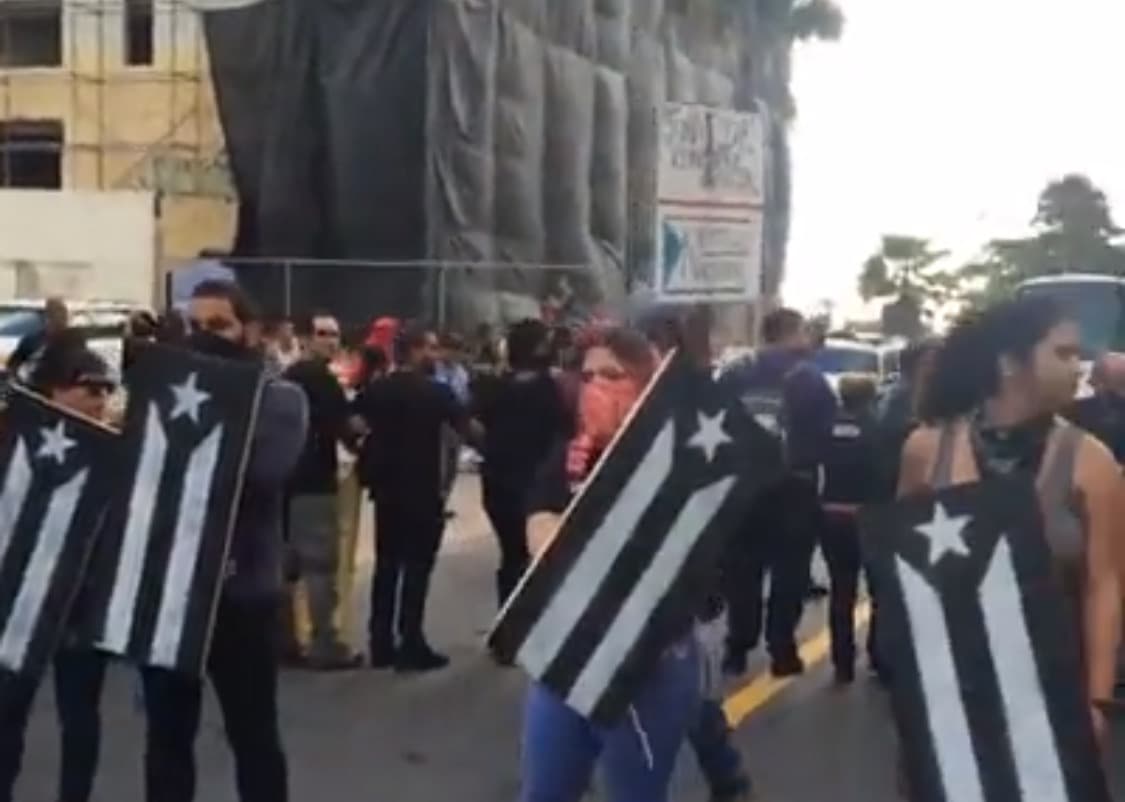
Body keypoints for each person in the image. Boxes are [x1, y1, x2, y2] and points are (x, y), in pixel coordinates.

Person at [899, 296, 1122, 746]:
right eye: (1063, 353)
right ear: (1009, 363)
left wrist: (1097, 700)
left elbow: (1106, 583)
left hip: (1050, 695)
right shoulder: (927, 449)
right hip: (950, 698)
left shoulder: (1092, 462)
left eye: (1078, 355)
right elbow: (902, 569)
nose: (1077, 367)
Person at [142, 279, 307, 802]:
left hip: (241, 596)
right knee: (166, 739)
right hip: (173, 594)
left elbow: (261, 473)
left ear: (250, 331)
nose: (205, 337)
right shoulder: (165, 401)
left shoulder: (281, 398)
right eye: (195, 327)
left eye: (219, 326)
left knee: (253, 737)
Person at [519, 326, 700, 802]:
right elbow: (540, 519)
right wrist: (553, 543)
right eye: (588, 375)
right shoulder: (572, 454)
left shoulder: (680, 457)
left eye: (613, 374)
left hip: (647, 664)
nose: (596, 385)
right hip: (566, 652)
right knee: (544, 791)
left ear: (645, 383)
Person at [0, 339, 116, 802]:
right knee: (9, 710)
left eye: (108, 389)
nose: (100, 399)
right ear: (53, 391)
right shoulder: (15, 443)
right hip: (19, 596)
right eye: (89, 388)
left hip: (81, 600)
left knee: (81, 715)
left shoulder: (115, 450)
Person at [719, 308, 837, 677]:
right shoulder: (811, 378)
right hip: (794, 487)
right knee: (790, 573)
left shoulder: (734, 373)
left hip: (742, 487)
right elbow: (826, 434)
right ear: (791, 332)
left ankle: (738, 646)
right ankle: (782, 649)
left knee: (742, 572)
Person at [354, 323, 473, 671]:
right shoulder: (436, 393)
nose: (435, 356)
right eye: (431, 349)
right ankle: (411, 642)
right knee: (418, 568)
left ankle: (380, 641)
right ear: (416, 352)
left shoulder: (378, 389)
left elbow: (355, 425)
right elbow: (466, 428)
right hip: (423, 489)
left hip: (387, 490)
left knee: (387, 564)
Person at [282, 311, 360, 670]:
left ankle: (282, 640)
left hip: (283, 479)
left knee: (287, 565)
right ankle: (324, 642)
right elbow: (345, 425)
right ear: (307, 337)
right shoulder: (321, 380)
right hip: (314, 479)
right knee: (319, 566)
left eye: (334, 334)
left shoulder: (286, 378)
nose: (330, 341)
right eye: (322, 334)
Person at [473, 319, 570, 609]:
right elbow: (565, 429)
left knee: (511, 555)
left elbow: (473, 426)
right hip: (535, 485)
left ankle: (506, 620)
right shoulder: (550, 389)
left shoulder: (493, 387)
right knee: (536, 558)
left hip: (497, 483)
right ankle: (528, 623)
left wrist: (492, 449)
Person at [820, 374, 880, 684]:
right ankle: (876, 656)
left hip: (832, 515)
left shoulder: (826, 428)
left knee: (841, 590)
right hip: (866, 516)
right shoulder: (876, 430)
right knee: (878, 590)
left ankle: (842, 661)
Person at [8, 296, 69, 381]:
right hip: (34, 388)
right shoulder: (32, 340)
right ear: (47, 319)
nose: (59, 322)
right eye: (54, 318)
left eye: (62, 319)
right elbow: (13, 366)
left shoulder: (73, 341)